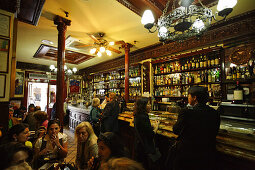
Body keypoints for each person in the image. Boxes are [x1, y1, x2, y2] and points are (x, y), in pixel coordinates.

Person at [172, 86, 220, 170]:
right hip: (208, 155)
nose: (188, 98)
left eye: (189, 96)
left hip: (188, 155)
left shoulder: (186, 112)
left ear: (194, 98)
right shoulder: (215, 113)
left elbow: (176, 130)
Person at [133, 97, 160, 170]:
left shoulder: (137, 115)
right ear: (143, 106)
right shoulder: (143, 117)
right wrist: (156, 127)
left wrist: (150, 126)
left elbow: (142, 128)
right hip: (144, 149)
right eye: (148, 104)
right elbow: (151, 135)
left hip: (139, 146)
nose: (150, 105)